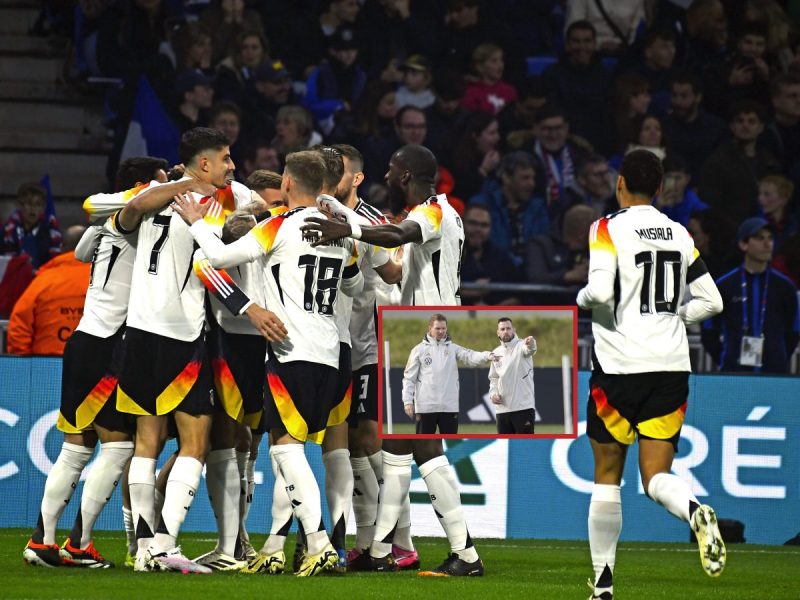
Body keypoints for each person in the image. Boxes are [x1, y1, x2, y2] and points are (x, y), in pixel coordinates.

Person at [172, 150, 362, 577]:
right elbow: (356, 283)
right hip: (331, 351)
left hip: (290, 348)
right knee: (291, 450)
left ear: (289, 183)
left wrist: (196, 222)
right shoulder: (338, 230)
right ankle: (277, 546)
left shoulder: (278, 224)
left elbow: (216, 259)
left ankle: (318, 543)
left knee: (285, 449)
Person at [301, 144, 484, 577]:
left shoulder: (434, 211)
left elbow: (397, 237)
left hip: (430, 337)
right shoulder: (440, 213)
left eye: (391, 169)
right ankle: (384, 550)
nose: (386, 175)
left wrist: (346, 229)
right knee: (401, 449)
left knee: (424, 448)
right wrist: (345, 217)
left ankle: (464, 553)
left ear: (405, 176)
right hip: (417, 339)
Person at [576, 149, 726, 600]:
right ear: (659, 188)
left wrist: (581, 299)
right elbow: (712, 301)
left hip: (620, 368)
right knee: (656, 477)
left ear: (620, 183)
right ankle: (694, 510)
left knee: (607, 476)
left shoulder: (606, 228)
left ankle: (603, 586)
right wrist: (675, 316)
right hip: (670, 368)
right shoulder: (679, 233)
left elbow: (599, 291)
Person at [21, 157, 175, 569]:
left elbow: (83, 250)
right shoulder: (134, 221)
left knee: (76, 448)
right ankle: (79, 543)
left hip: (84, 340)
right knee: (119, 445)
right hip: (109, 345)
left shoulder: (106, 226)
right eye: (161, 184)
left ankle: (42, 541)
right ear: (142, 188)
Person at [114, 128, 245, 574]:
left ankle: (142, 549)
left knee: (146, 443)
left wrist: (178, 184)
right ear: (204, 163)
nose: (232, 166)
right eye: (225, 158)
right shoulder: (209, 205)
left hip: (138, 331)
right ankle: (164, 544)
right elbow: (216, 264)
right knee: (195, 442)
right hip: (181, 335)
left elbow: (126, 211)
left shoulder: (151, 196)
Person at [701, 217, 800, 374]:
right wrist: (726, 359)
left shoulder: (785, 287)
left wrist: (777, 358)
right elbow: (709, 330)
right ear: (743, 244)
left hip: (774, 374)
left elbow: (794, 331)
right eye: (760, 238)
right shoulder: (724, 285)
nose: (767, 244)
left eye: (770, 238)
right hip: (734, 372)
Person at [402, 314, 493, 434]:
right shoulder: (418, 350)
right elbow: (409, 378)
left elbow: (470, 356)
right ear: (430, 328)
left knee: (451, 442)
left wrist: (487, 355)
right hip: (426, 407)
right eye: (437, 328)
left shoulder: (452, 348)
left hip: (449, 407)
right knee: (423, 442)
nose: (441, 331)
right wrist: (407, 402)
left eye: (443, 328)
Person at [7, 226, 89, 356]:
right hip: (96, 365)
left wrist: (25, 362)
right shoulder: (106, 281)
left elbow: (19, 325)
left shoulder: (43, 281)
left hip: (47, 363)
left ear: (62, 248)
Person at [697, 100, 781, 226]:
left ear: (761, 127)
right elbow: (710, 204)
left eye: (751, 121)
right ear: (732, 126)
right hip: (729, 229)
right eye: (740, 121)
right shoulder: (717, 162)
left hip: (766, 228)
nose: (745, 126)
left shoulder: (770, 163)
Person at [468, 150, 549, 264]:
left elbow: (543, 245)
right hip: (495, 268)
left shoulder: (538, 208)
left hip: (533, 270)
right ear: (506, 178)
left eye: (533, 178)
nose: (532, 184)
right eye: (525, 178)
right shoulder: (483, 205)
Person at [460, 204, 521, 306]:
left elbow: (519, 295)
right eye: (472, 223)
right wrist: (467, 292)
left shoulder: (501, 257)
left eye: (484, 225)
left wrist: (492, 311)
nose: (478, 229)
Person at [489, 318, 537, 434]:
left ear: (513, 330)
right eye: (502, 329)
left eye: (508, 328)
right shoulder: (496, 353)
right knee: (504, 444)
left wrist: (532, 343)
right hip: (502, 410)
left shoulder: (522, 345)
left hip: (523, 408)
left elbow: (530, 350)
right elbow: (494, 378)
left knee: (525, 444)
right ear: (498, 333)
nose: (506, 331)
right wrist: (493, 394)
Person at [3, 182, 62, 268]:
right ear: (19, 205)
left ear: (43, 208)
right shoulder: (8, 231)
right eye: (29, 204)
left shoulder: (50, 231)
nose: (33, 209)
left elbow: (55, 260)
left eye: (38, 205)